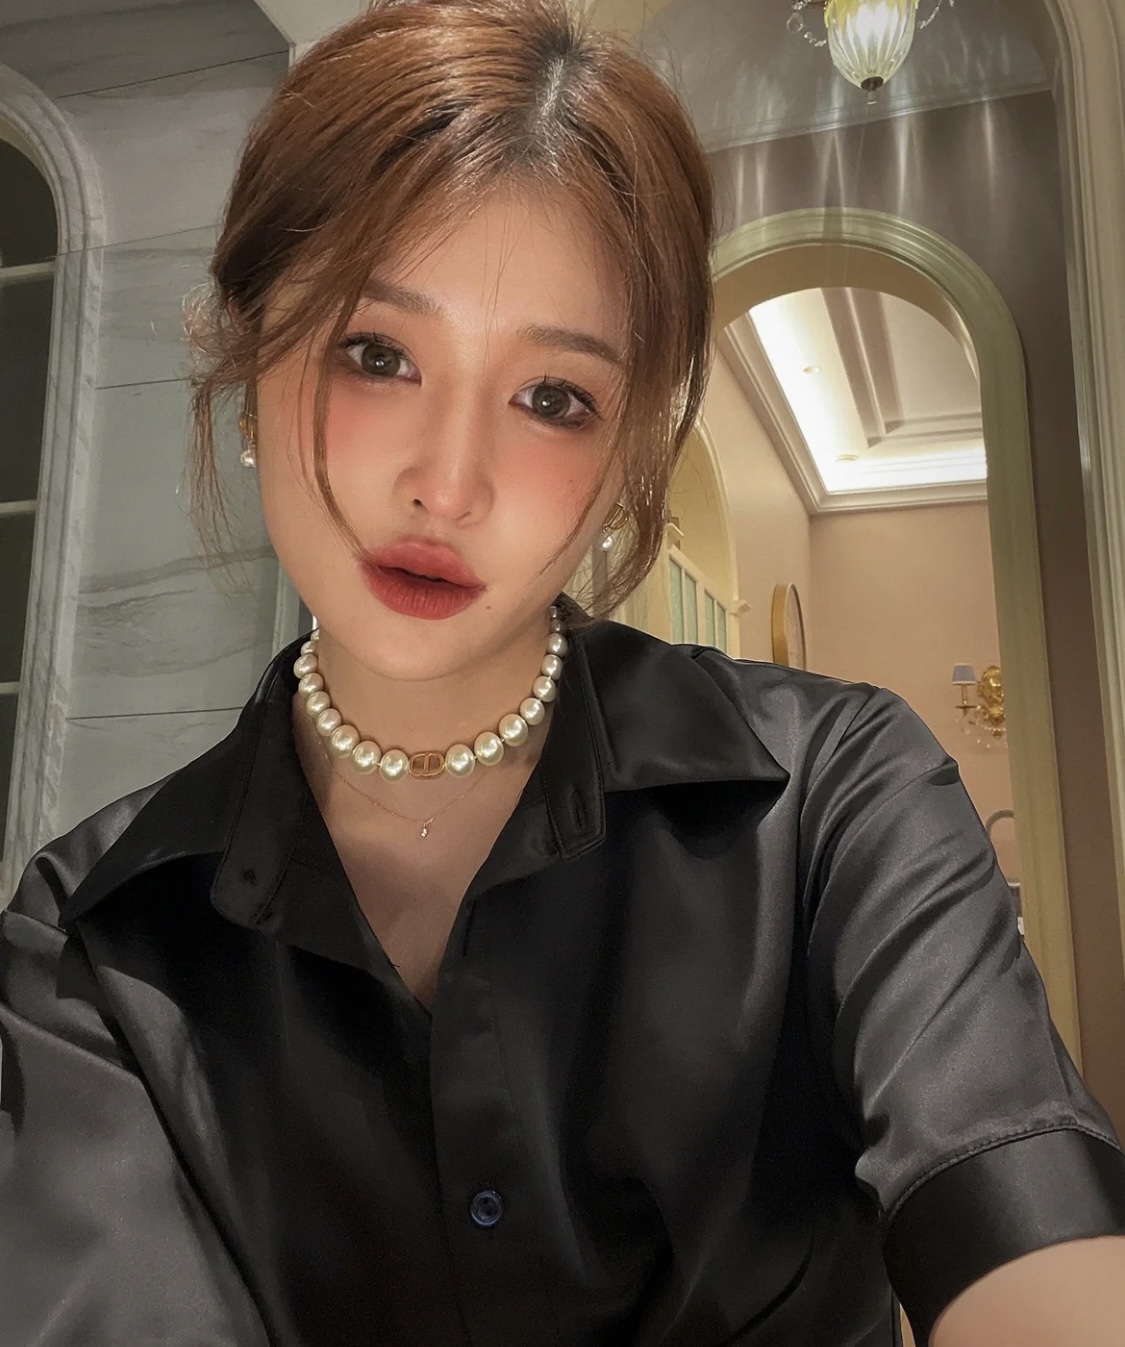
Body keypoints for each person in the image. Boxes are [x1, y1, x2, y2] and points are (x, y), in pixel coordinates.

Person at [1, 1, 1123, 1342]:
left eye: (553, 398)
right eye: (376, 354)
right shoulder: (94, 935)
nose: (449, 483)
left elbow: (1017, 1212)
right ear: (246, 355)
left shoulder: (834, 796)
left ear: (630, 448)